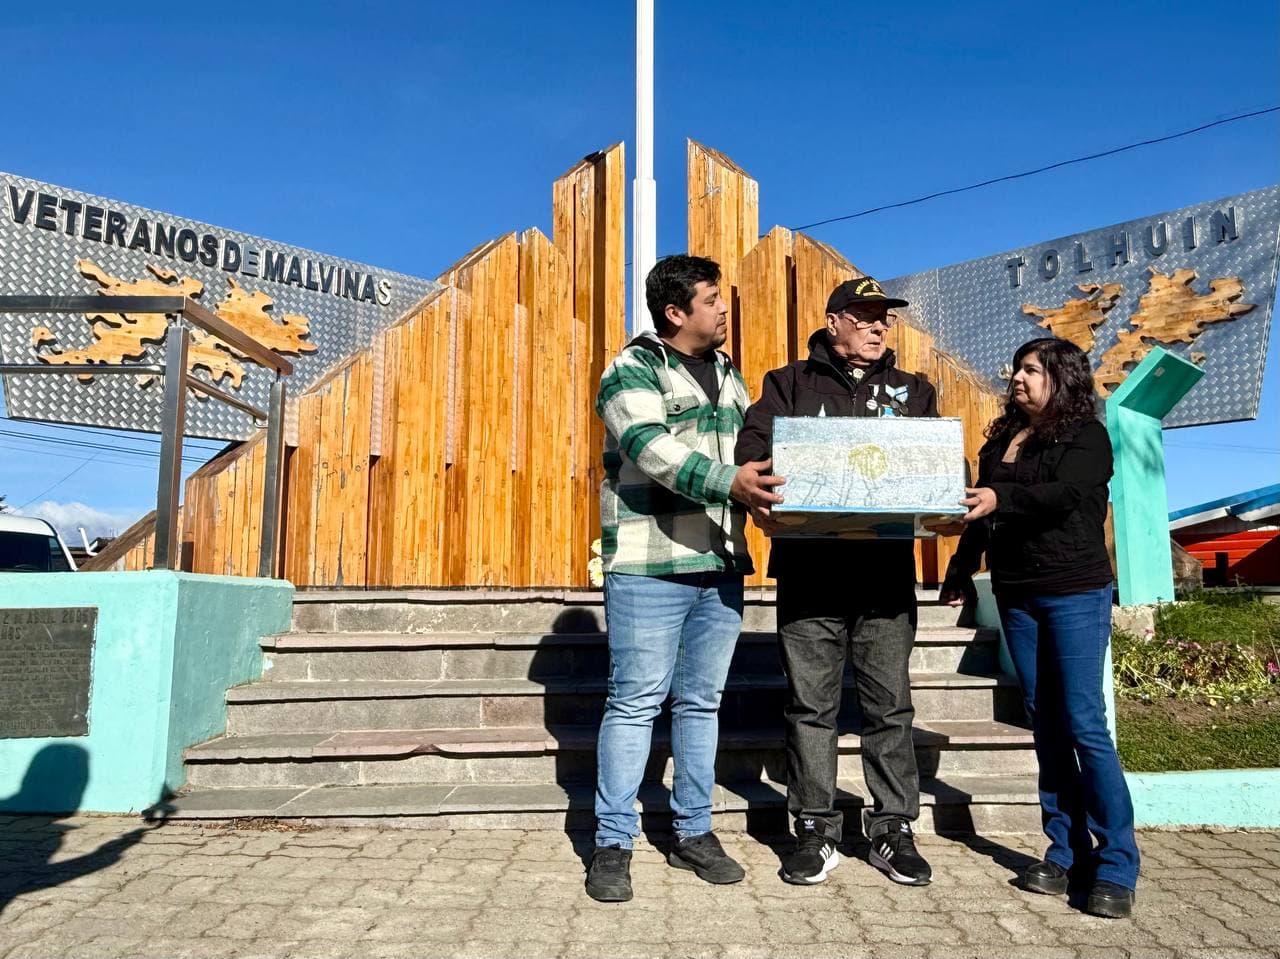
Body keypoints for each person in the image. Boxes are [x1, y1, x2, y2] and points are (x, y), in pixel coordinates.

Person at [586, 254, 785, 903]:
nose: (725, 309)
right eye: (712, 299)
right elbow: (650, 445)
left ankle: (692, 831)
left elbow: (752, 455)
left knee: (701, 703)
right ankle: (612, 841)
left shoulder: (730, 375)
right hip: (650, 563)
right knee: (636, 701)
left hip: (720, 561)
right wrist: (732, 481)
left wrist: (781, 498)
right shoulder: (632, 369)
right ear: (676, 312)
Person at [735, 276, 936, 886]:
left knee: (888, 707)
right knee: (812, 707)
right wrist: (760, 479)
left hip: (884, 577)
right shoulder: (788, 383)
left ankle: (893, 828)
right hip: (811, 573)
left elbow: (941, 462)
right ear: (833, 322)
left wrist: (946, 483)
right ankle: (814, 828)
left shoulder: (914, 390)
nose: (878, 327)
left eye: (885, 318)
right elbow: (753, 444)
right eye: (865, 316)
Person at [939, 336, 1140, 919]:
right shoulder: (1001, 438)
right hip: (1017, 594)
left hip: (1075, 589)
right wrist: (958, 569)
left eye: (1032, 369)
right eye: (1017, 370)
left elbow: (1064, 494)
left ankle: (1117, 864)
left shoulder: (1088, 436)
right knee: (1045, 723)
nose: (1019, 378)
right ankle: (1065, 851)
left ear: (1062, 376)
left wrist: (997, 498)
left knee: (1084, 724)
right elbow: (980, 508)